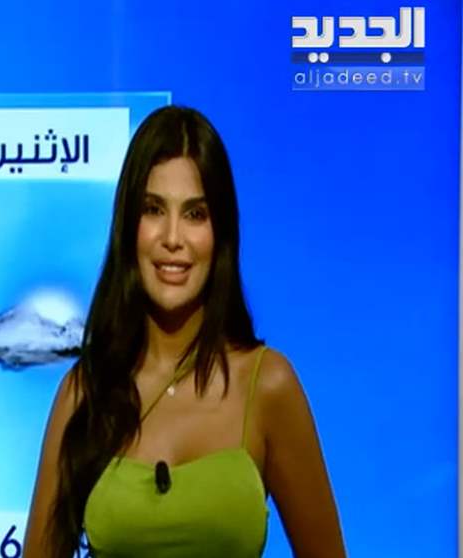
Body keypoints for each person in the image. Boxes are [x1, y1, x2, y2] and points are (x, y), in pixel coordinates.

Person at [22, 106, 345, 557]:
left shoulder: (268, 386)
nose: (172, 238)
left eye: (195, 214)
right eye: (154, 210)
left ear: (221, 233)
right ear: (128, 226)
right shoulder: (84, 394)